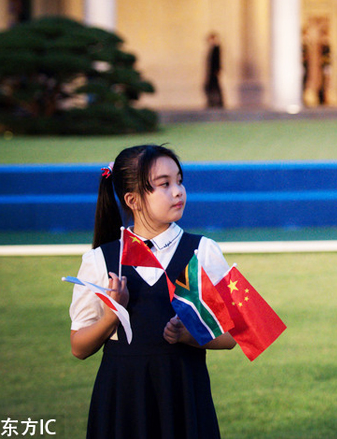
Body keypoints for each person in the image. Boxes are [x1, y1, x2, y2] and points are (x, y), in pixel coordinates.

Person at [69, 144, 235, 439]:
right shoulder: (100, 260)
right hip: (122, 401)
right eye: (164, 184)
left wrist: (189, 335)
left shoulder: (203, 251)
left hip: (184, 394)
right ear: (132, 199)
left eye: (180, 181)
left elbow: (234, 336)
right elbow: (79, 348)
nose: (178, 191)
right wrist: (110, 316)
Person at [204, 32, 223, 108]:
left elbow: (217, 60)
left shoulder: (216, 48)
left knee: (214, 87)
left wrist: (217, 70)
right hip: (212, 72)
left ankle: (217, 102)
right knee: (211, 87)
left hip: (214, 72)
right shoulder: (212, 48)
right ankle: (213, 102)